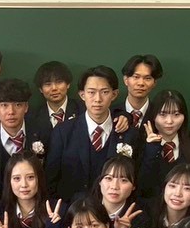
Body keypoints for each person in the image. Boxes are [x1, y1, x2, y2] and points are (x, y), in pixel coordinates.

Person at [45, 66, 141, 201]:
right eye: (91, 92)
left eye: (104, 92)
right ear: (82, 95)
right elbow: (51, 180)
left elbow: (136, 180)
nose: (98, 99)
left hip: (115, 210)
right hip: (72, 210)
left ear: (114, 94)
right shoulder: (63, 132)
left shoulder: (129, 134)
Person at [138, 88, 190, 189]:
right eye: (162, 114)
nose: (169, 121)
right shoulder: (139, 146)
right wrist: (151, 149)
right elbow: (141, 184)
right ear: (153, 116)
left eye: (176, 115)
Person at [96, 154, 146, 228]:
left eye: (124, 180)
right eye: (108, 178)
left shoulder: (141, 218)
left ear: (134, 186)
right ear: (100, 181)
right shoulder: (85, 208)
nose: (114, 186)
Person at [28, 60, 81, 136]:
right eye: (48, 84)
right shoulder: (33, 117)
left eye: (59, 82)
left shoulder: (82, 110)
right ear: (40, 89)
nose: (54, 88)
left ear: (68, 84)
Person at [120, 54, 162, 130]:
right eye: (136, 77)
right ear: (126, 80)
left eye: (147, 78)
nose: (141, 83)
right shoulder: (112, 114)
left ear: (154, 83)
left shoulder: (160, 115)